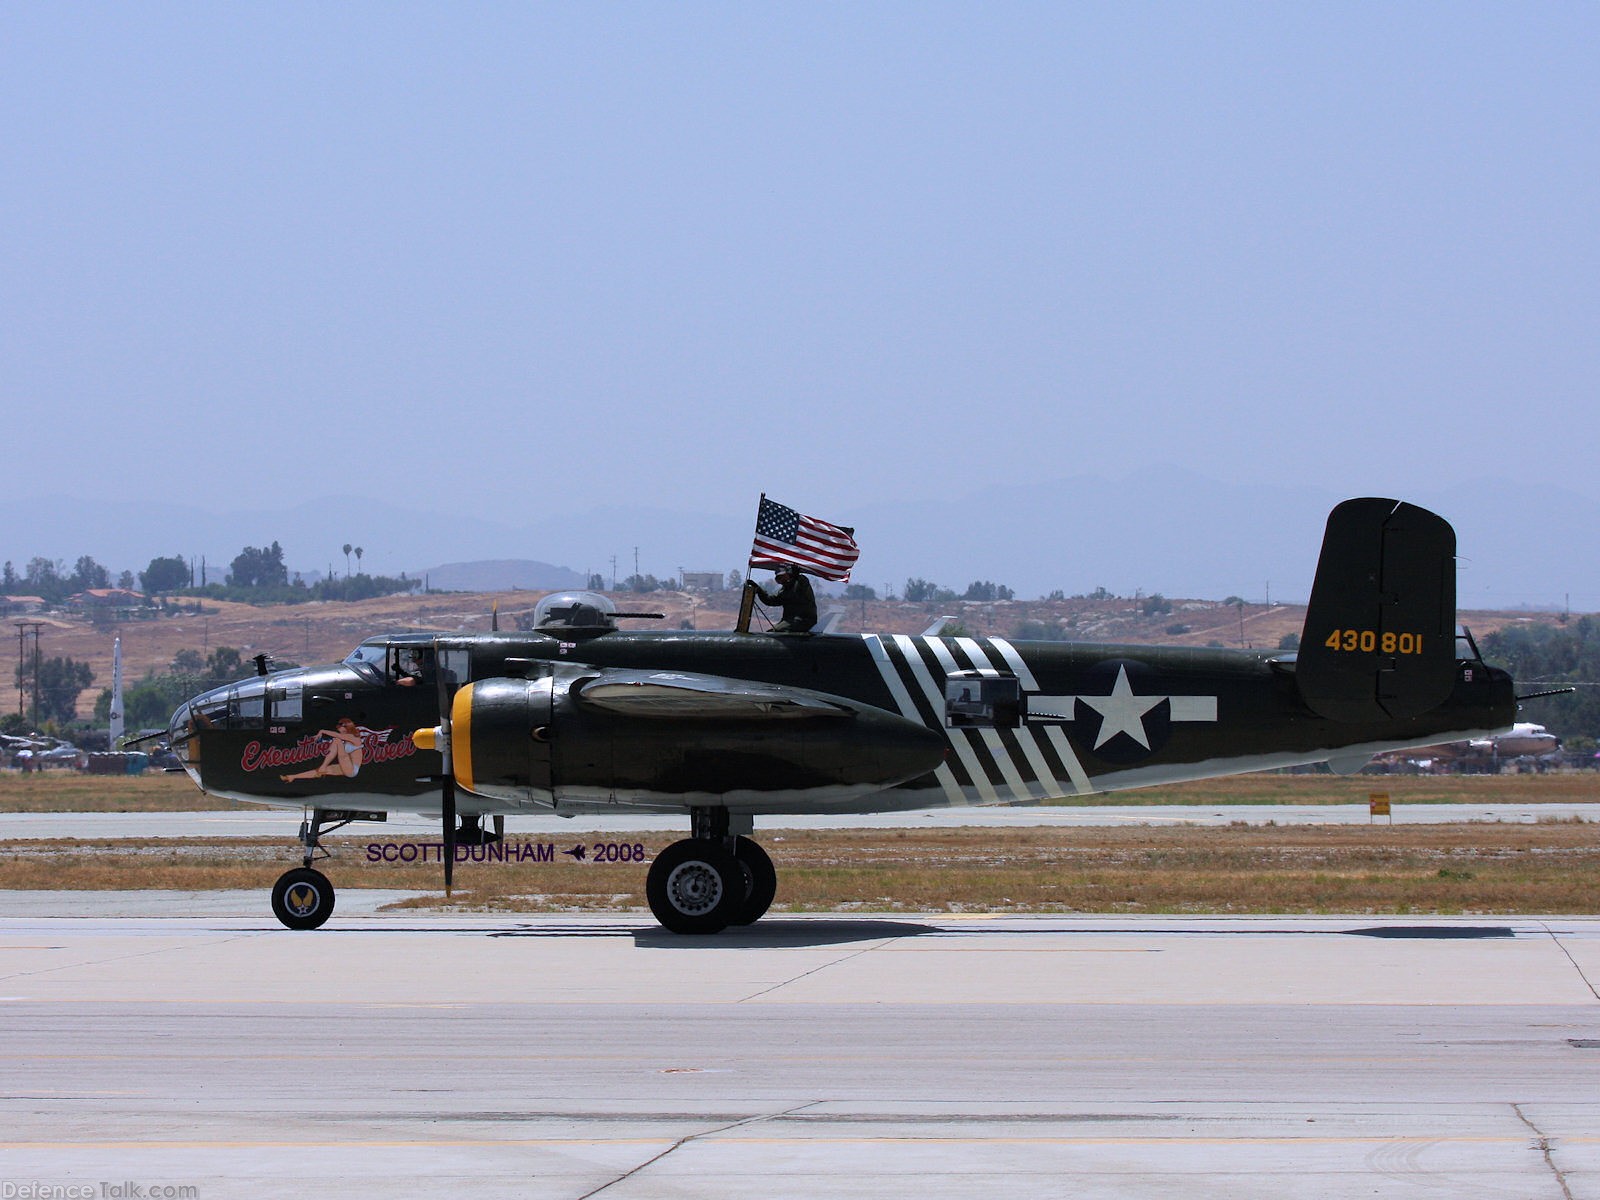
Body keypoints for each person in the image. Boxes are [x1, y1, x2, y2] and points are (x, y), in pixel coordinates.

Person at [280, 718, 365, 781]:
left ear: (347, 727)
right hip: (347, 766)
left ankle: (323, 765)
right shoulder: (347, 739)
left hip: (352, 768)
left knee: (336, 740)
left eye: (341, 730)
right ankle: (292, 777)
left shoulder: (354, 737)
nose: (340, 732)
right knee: (319, 771)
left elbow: (337, 736)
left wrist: (322, 731)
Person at [755, 563, 817, 633]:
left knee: (777, 631)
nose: (781, 580)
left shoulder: (801, 581)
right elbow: (771, 601)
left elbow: (799, 588)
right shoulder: (784, 590)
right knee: (772, 632)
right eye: (778, 578)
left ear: (789, 574)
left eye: (783, 576)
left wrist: (796, 576)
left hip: (804, 620)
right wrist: (759, 591)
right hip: (789, 620)